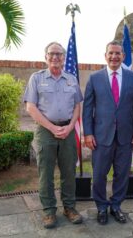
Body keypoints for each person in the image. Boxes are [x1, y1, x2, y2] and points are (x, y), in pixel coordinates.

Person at [83, 40, 133, 225]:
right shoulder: (95, 78)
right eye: (111, 53)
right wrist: (88, 133)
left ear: (123, 56)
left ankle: (116, 206)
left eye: (118, 53)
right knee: (99, 175)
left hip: (126, 137)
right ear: (105, 55)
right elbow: (87, 109)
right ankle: (101, 207)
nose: (114, 56)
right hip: (101, 137)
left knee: (122, 174)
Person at [23, 42, 83, 229]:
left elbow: (77, 106)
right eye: (52, 54)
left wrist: (71, 126)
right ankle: (49, 211)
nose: (55, 57)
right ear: (46, 57)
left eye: (59, 54)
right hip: (45, 132)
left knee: (69, 172)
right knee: (46, 174)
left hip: (68, 130)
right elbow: (30, 107)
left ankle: (69, 208)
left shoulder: (71, 79)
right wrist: (51, 127)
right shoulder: (36, 78)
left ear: (64, 58)